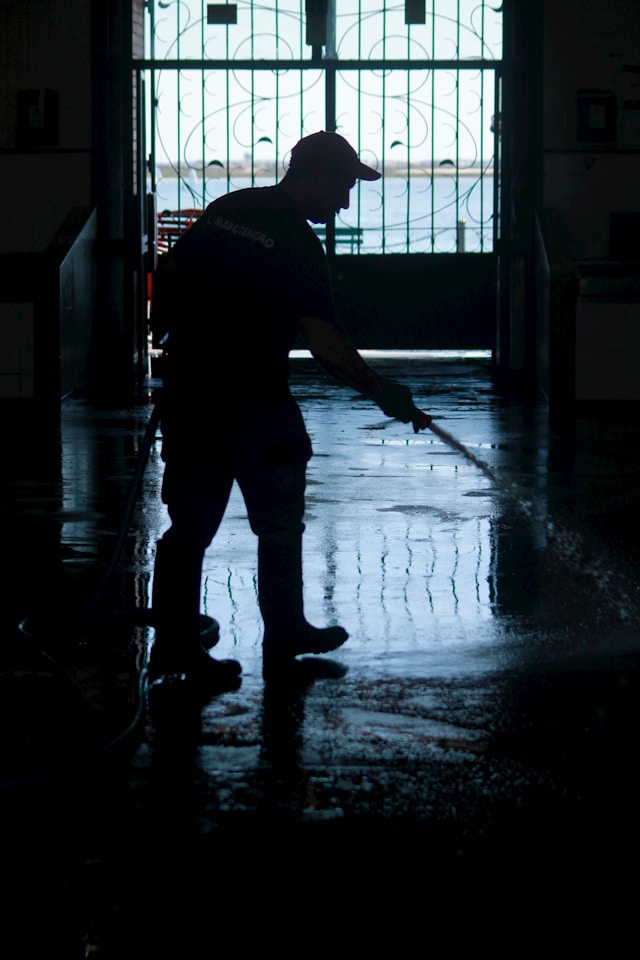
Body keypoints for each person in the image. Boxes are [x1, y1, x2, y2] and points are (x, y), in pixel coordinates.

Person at [150, 130, 431, 689]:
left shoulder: (230, 208)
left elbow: (171, 272)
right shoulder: (300, 247)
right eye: (343, 187)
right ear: (316, 176)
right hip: (256, 402)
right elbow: (324, 343)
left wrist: (171, 339)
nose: (344, 203)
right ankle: (283, 632)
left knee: (188, 526)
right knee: (279, 521)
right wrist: (383, 392)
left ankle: (176, 646)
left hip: (191, 395)